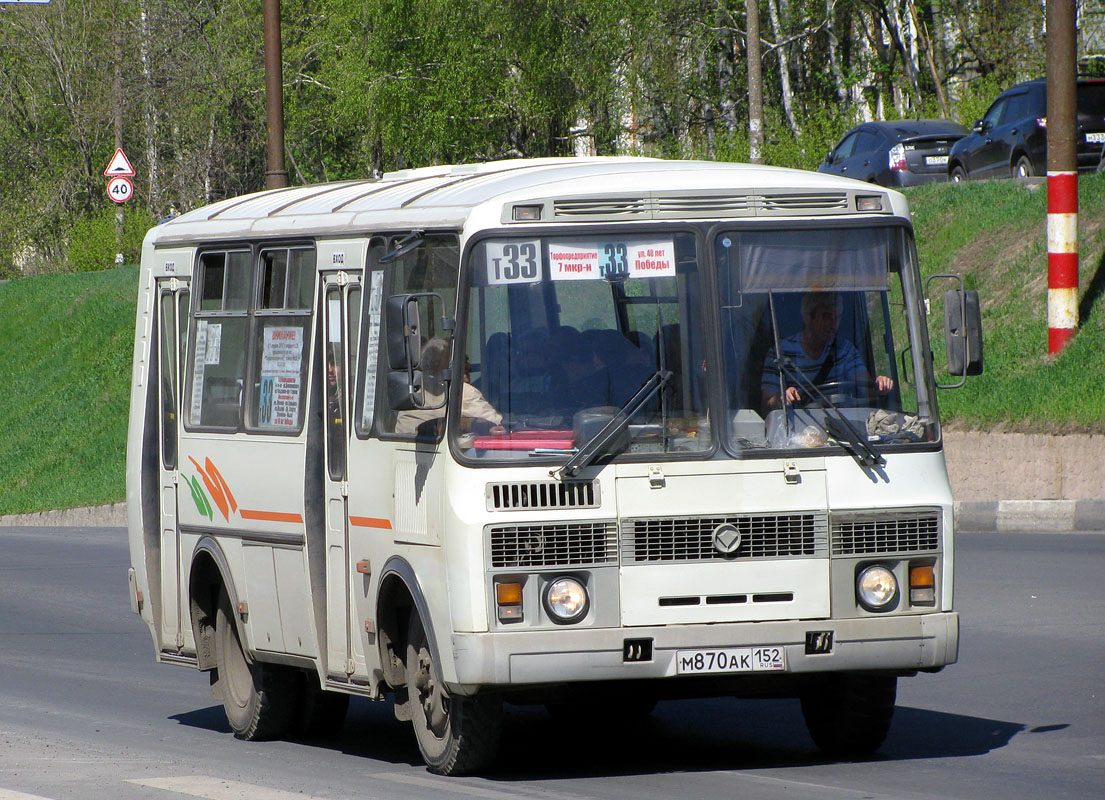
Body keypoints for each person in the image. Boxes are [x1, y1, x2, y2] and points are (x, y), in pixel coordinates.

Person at [761, 291, 893, 411]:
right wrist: (782, 397)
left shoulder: (844, 350)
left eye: (837, 318)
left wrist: (880, 385)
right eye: (826, 317)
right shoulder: (780, 353)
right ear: (807, 317)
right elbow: (767, 402)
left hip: (844, 426)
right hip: (796, 430)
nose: (833, 325)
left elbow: (866, 388)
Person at [394, 338, 504, 436]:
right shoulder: (464, 392)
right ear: (445, 366)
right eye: (463, 359)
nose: (469, 366)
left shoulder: (411, 394)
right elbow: (498, 427)